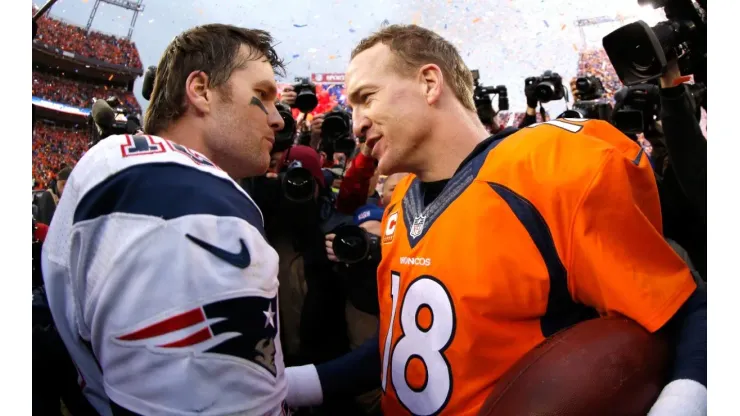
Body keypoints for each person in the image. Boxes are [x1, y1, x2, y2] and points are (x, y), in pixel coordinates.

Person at [285, 24, 706, 416]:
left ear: (429, 83)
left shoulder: (546, 170)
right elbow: (415, 343)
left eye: (366, 97)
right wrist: (296, 385)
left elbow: (683, 308)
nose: (356, 122)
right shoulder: (400, 204)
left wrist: (685, 400)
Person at [41, 24, 290, 416]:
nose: (278, 119)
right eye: (261, 95)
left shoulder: (119, 163)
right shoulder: (189, 196)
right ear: (201, 90)